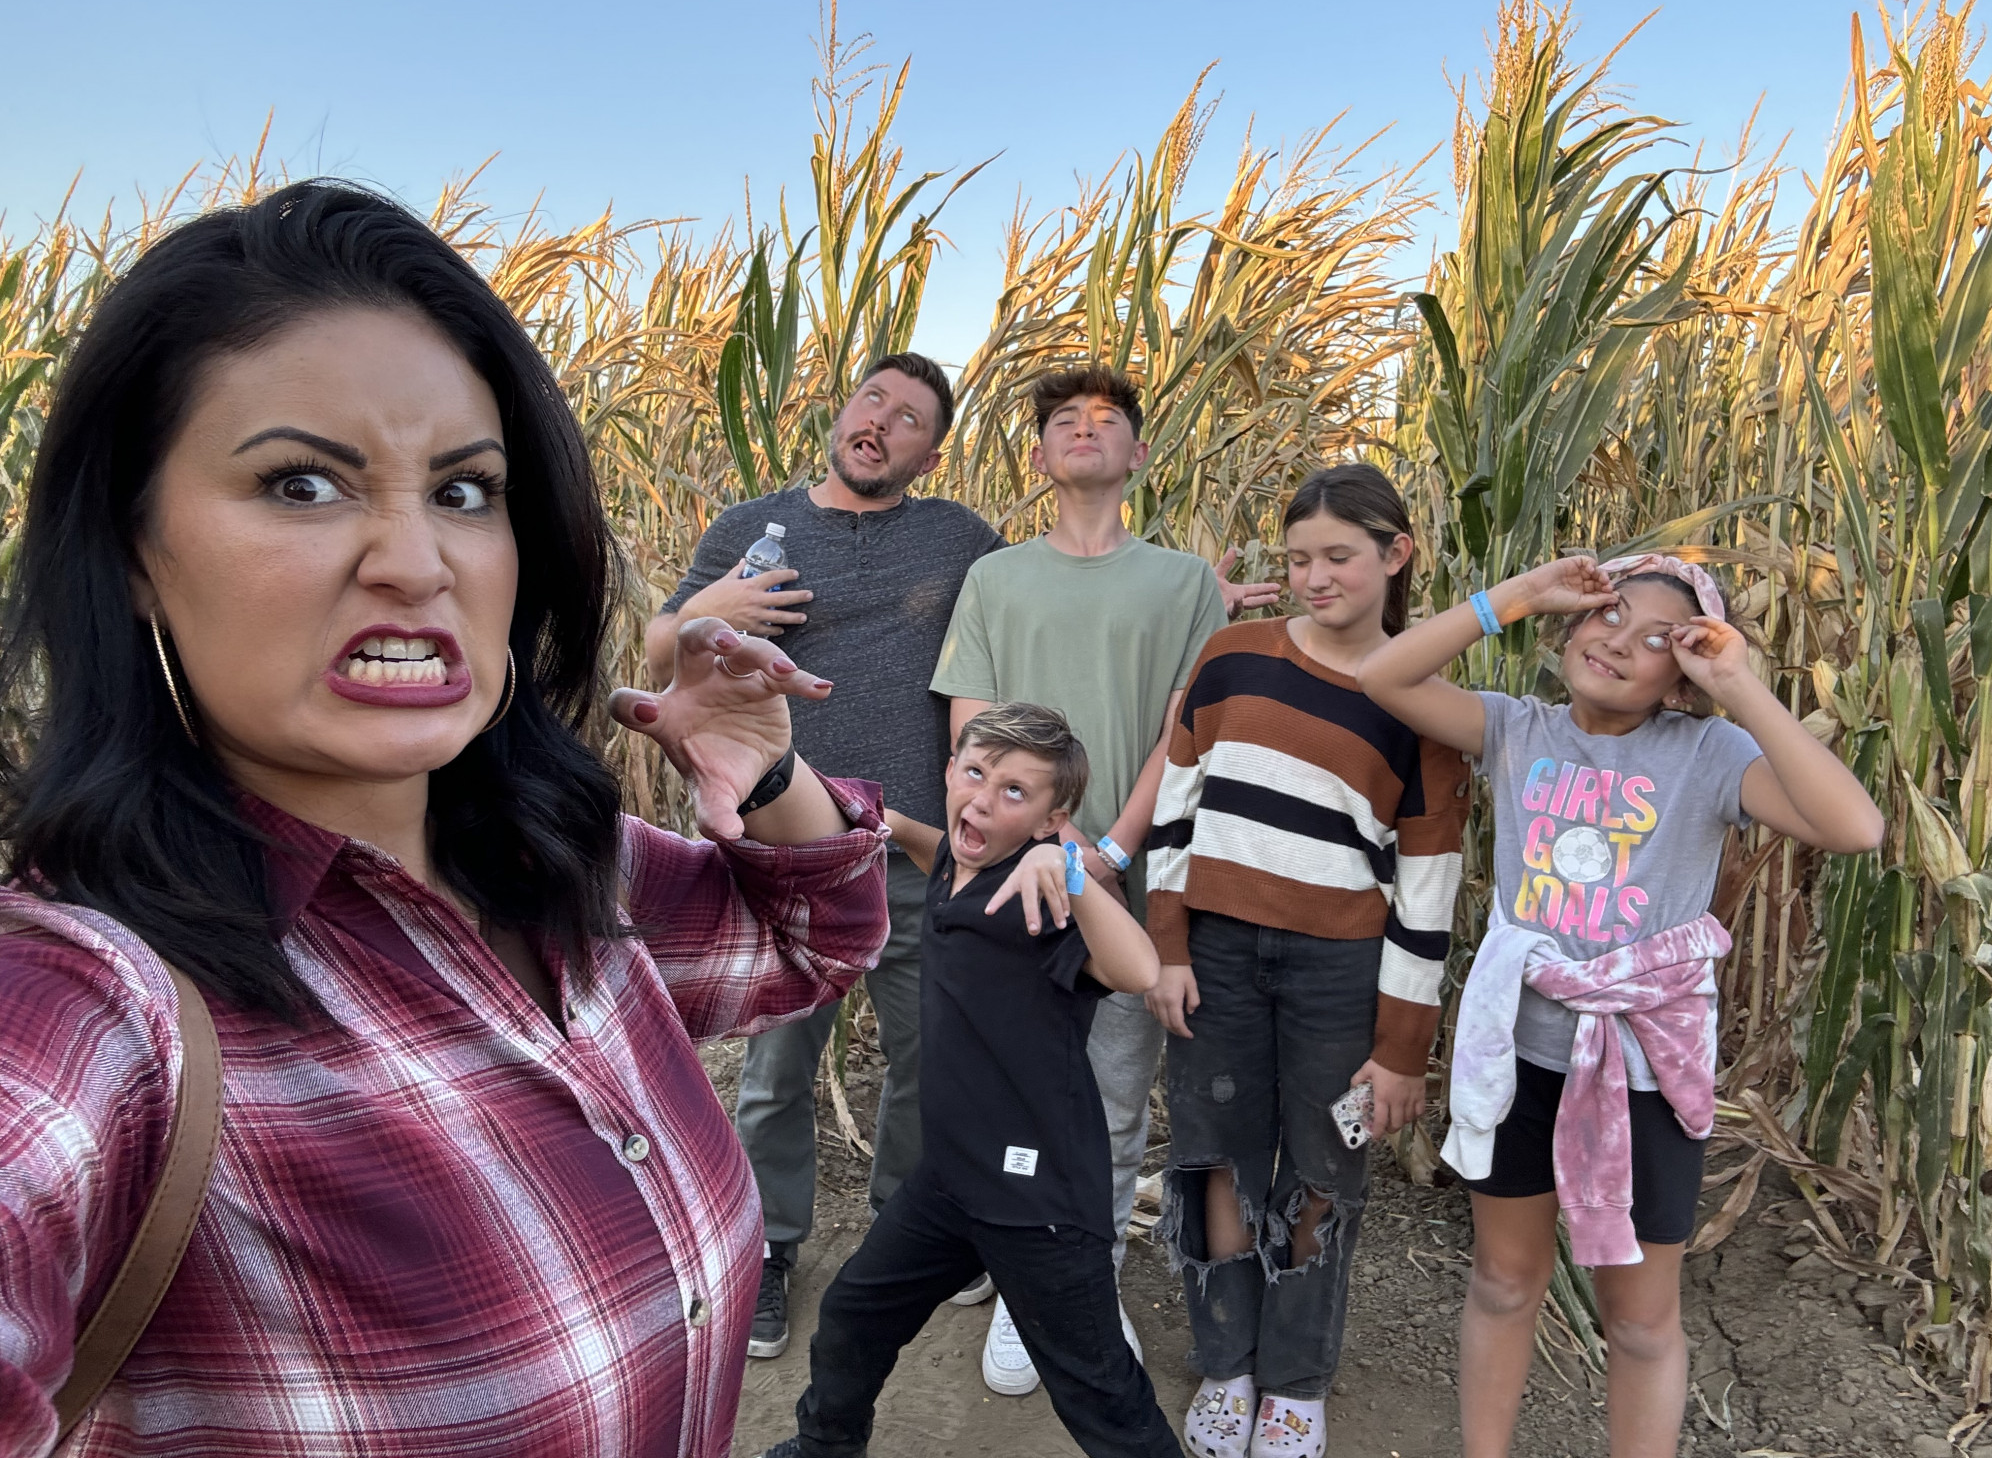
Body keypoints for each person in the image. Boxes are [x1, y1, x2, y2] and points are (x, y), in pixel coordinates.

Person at [0, 180, 889, 1458]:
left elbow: (816, 942)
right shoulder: (94, 1018)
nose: (416, 563)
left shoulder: (562, 869)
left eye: (466, 492)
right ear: (134, 544)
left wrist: (757, 770)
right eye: (301, 484)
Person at [1355, 553, 1885, 1458]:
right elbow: (1383, 674)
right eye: (1608, 615)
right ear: (1570, 626)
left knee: (1639, 1322)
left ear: (1681, 682)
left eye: (1657, 640)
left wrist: (1738, 685)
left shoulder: (1709, 755)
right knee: (1503, 1282)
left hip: (1645, 1070)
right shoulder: (1516, 727)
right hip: (1521, 1055)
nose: (1619, 643)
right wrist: (1520, 595)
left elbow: (1855, 827)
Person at [646, 352, 1003, 1357]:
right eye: (871, 400)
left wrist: (1177, 596)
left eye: (910, 418)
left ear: (931, 454)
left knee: (926, 1059)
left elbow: (1039, 596)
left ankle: (904, 1230)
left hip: (915, 849)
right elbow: (660, 647)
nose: (881, 422)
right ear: (844, 413)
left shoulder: (959, 538)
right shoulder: (752, 528)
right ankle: (768, 1248)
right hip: (790, 849)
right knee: (775, 1068)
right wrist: (708, 612)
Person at [930, 363, 1275, 1394]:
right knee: (1016, 1087)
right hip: (1006, 875)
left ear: (1137, 454)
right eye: (1064, 421)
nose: (1085, 429)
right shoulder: (995, 579)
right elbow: (975, 733)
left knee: (1113, 1095)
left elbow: (1184, 731)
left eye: (1107, 418)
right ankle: (1023, 1286)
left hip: (1127, 878)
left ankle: (1087, 1276)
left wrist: (1106, 854)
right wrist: (1025, 836)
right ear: (1039, 457)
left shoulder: (1183, 583)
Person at [1145, 464, 1471, 1458]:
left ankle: (1295, 1379)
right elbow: (1175, 807)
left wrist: (1402, 1049)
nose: (1314, 578)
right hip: (1216, 955)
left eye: (1338, 556)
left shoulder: (1425, 708)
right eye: (1297, 560)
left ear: (1396, 554)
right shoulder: (1230, 656)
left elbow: (1427, 889)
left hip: (1343, 971)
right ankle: (1227, 1362)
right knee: (1213, 1156)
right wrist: (1166, 945)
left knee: (1328, 1169)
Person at [753, 704, 1181, 1458]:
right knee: (852, 1315)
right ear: (950, 770)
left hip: (1039, 1202)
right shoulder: (959, 858)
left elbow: (1139, 969)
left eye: (1016, 791)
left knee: (1100, 1394)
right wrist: (884, 820)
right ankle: (824, 1446)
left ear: (1052, 819)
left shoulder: (1045, 900)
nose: (983, 799)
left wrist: (1070, 868)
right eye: (976, 773)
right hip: (950, 1181)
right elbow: (934, 853)